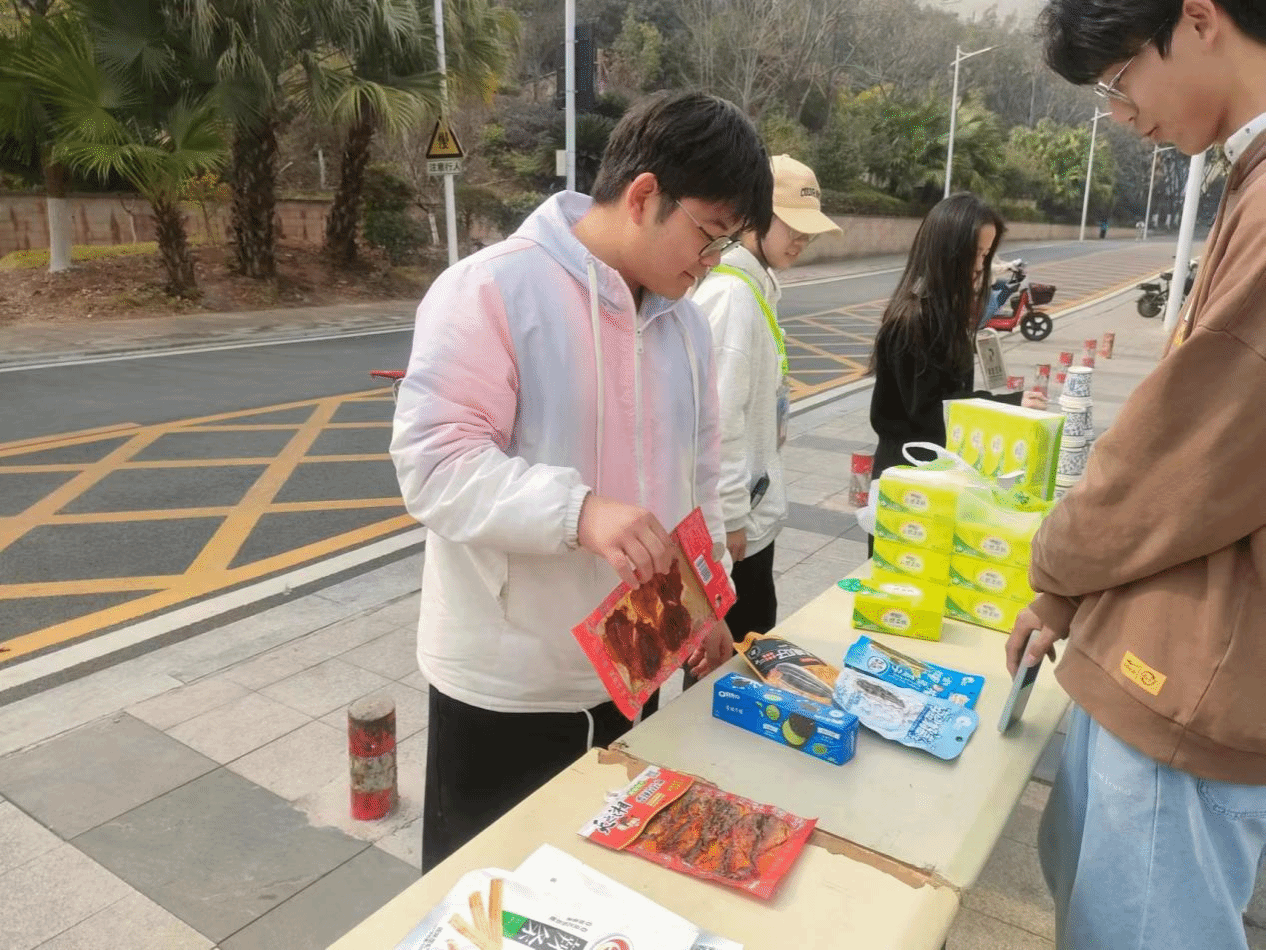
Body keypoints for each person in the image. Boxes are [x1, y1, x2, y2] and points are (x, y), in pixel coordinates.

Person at [390, 91, 772, 872]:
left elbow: (695, 480)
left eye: (727, 244)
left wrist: (708, 601)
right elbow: (434, 463)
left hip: (634, 667)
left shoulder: (686, 324)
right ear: (643, 196)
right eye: (708, 234)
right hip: (511, 681)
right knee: (489, 893)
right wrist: (579, 511)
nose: (711, 262)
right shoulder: (493, 289)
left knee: (603, 887)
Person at [1008, 2, 1266, 948]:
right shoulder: (1249, 177)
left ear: (1197, 18)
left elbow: (1179, 455)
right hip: (1171, 657)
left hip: (1195, 675)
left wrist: (1055, 567)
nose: (1124, 115)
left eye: (1119, 81)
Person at [690, 155, 841, 641]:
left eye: (808, 231)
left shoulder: (756, 287)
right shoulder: (731, 297)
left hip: (752, 521)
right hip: (738, 531)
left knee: (744, 653)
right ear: (754, 214)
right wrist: (732, 518)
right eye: (792, 226)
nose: (801, 240)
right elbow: (718, 422)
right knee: (729, 660)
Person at [868, 193, 1048, 484]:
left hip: (934, 471)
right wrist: (1007, 405)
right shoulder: (913, 320)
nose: (979, 266)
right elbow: (934, 412)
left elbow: (950, 398)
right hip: (908, 481)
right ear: (945, 252)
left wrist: (1008, 404)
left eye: (985, 255)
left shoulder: (945, 311)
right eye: (973, 254)